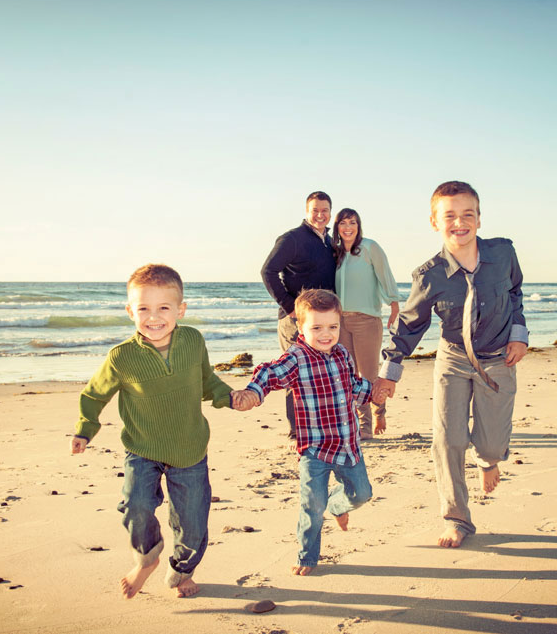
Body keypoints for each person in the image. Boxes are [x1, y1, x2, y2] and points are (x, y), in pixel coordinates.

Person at [69, 264, 258, 599]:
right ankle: (147, 557)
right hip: (142, 448)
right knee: (136, 506)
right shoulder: (121, 357)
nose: (153, 317)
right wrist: (85, 429)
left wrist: (229, 397)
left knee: (193, 523)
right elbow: (94, 394)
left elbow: (206, 382)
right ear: (130, 311)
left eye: (163, 308)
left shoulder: (193, 341)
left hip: (189, 449)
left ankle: (182, 570)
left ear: (180, 310)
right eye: (143, 308)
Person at [374, 181, 528, 549]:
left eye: (467, 214)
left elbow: (515, 291)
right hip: (453, 360)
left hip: (498, 360)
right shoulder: (429, 276)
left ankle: (488, 461)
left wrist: (519, 333)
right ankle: (456, 517)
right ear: (434, 222)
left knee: (491, 445)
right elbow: (408, 324)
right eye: (449, 216)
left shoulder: (504, 254)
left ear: (479, 217)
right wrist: (389, 373)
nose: (459, 223)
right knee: (447, 439)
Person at [239, 289, 374, 575]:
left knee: (362, 494)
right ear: (300, 327)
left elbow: (352, 387)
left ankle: (338, 506)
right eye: (316, 328)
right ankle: (307, 556)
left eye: (332, 327)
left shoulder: (343, 355)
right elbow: (269, 373)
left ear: (340, 325)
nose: (326, 334)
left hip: (347, 444)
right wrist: (254, 392)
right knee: (312, 506)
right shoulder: (296, 358)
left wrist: (374, 393)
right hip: (314, 449)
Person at [260, 192, 337, 437]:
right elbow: (268, 271)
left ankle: (320, 426)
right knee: (296, 373)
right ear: (307, 211)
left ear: (330, 213)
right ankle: (297, 430)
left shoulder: (329, 242)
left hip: (322, 322)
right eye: (315, 210)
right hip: (295, 321)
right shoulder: (292, 238)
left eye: (324, 210)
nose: (320, 214)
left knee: (321, 373)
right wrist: (290, 305)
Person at [332, 208, 400, 439]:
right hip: (340, 321)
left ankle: (379, 411)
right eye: (343, 223)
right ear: (337, 227)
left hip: (366, 320)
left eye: (353, 222)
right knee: (350, 376)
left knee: (369, 376)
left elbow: (385, 275)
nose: (348, 227)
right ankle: (363, 426)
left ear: (358, 226)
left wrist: (393, 303)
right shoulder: (335, 253)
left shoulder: (370, 248)